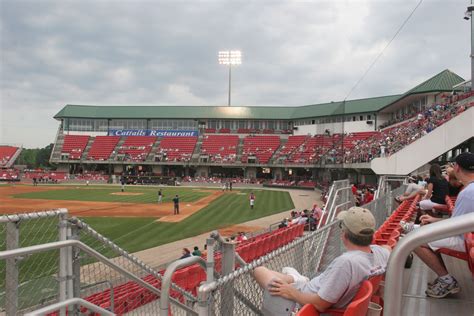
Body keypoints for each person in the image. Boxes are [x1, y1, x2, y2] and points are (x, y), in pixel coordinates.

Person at [253, 207, 391, 315]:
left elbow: (321, 304)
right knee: (275, 274)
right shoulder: (380, 253)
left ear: (344, 234)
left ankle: (297, 280)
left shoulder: (346, 263)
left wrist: (291, 292)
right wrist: (382, 247)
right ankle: (298, 279)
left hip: (302, 301)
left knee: (259, 271)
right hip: (316, 289)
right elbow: (388, 247)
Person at [413, 152, 474, 298]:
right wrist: (434, 222)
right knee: (427, 235)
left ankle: (447, 281)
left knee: (415, 240)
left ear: (457, 168)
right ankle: (444, 279)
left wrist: (431, 226)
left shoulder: (468, 192)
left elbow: (455, 227)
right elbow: (459, 222)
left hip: (466, 239)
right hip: (467, 235)